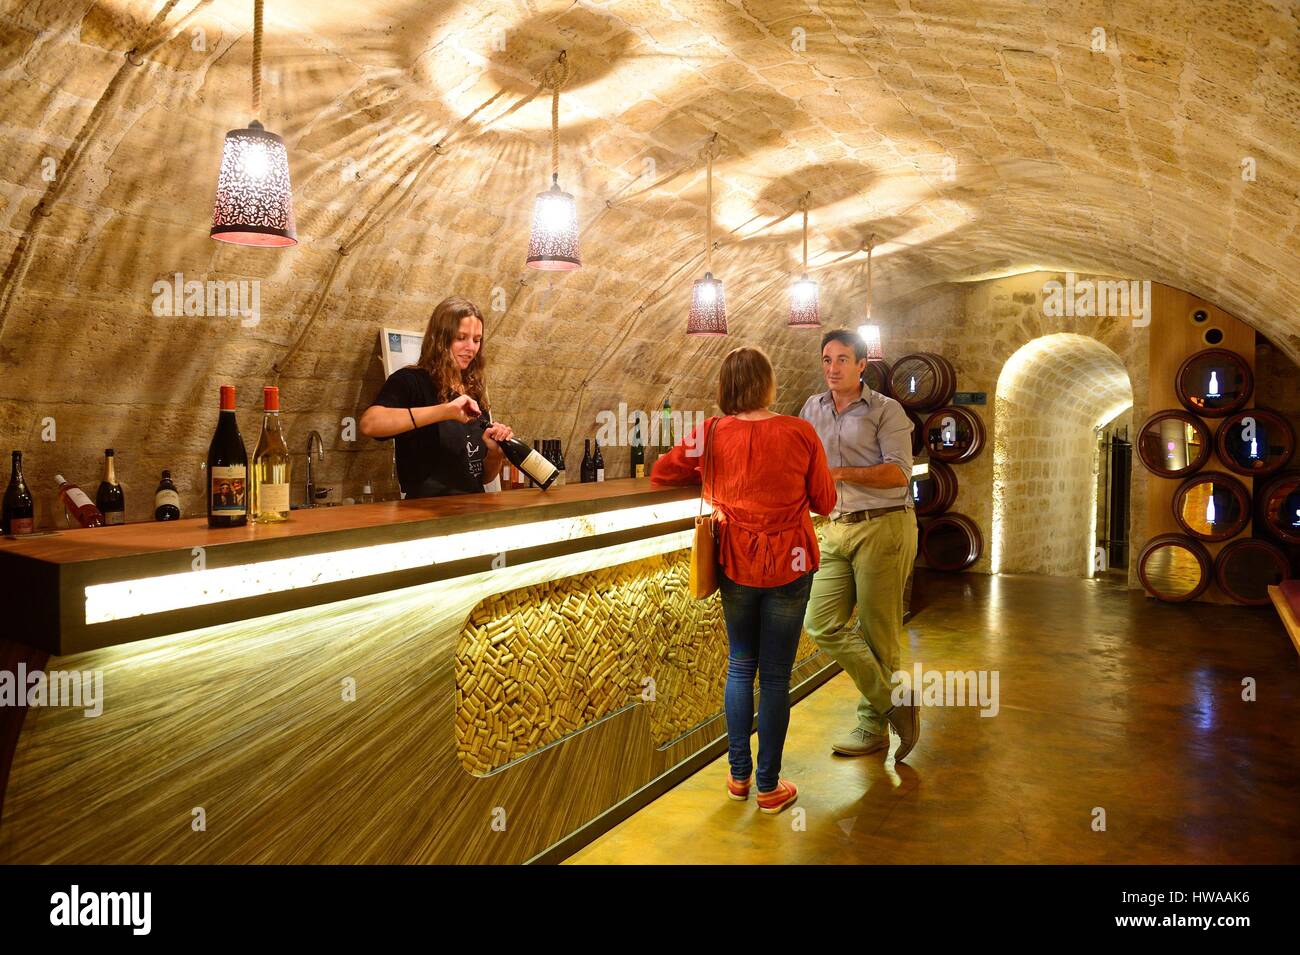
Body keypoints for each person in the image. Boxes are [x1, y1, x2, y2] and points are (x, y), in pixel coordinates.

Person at [652, 346, 836, 814]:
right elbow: (826, 501)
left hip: (734, 561)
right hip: (791, 563)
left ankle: (738, 778)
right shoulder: (800, 431)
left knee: (739, 666)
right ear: (769, 384)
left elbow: (661, 472)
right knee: (774, 677)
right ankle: (769, 787)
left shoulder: (710, 433)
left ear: (725, 387)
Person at [800, 328, 920, 761]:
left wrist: (839, 473)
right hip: (833, 527)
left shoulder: (888, 411)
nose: (832, 369)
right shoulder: (811, 408)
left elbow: (899, 473)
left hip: (883, 526)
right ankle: (895, 703)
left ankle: (872, 726)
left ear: (862, 364)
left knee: (878, 633)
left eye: (842, 360)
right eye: (827, 360)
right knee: (820, 623)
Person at [359, 296, 514, 498]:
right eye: (461, 338)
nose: (471, 348)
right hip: (425, 513)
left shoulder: (473, 388)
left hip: (472, 512)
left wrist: (494, 453)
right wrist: (445, 411)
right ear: (440, 339)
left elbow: (482, 478)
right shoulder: (410, 381)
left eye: (476, 340)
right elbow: (370, 424)